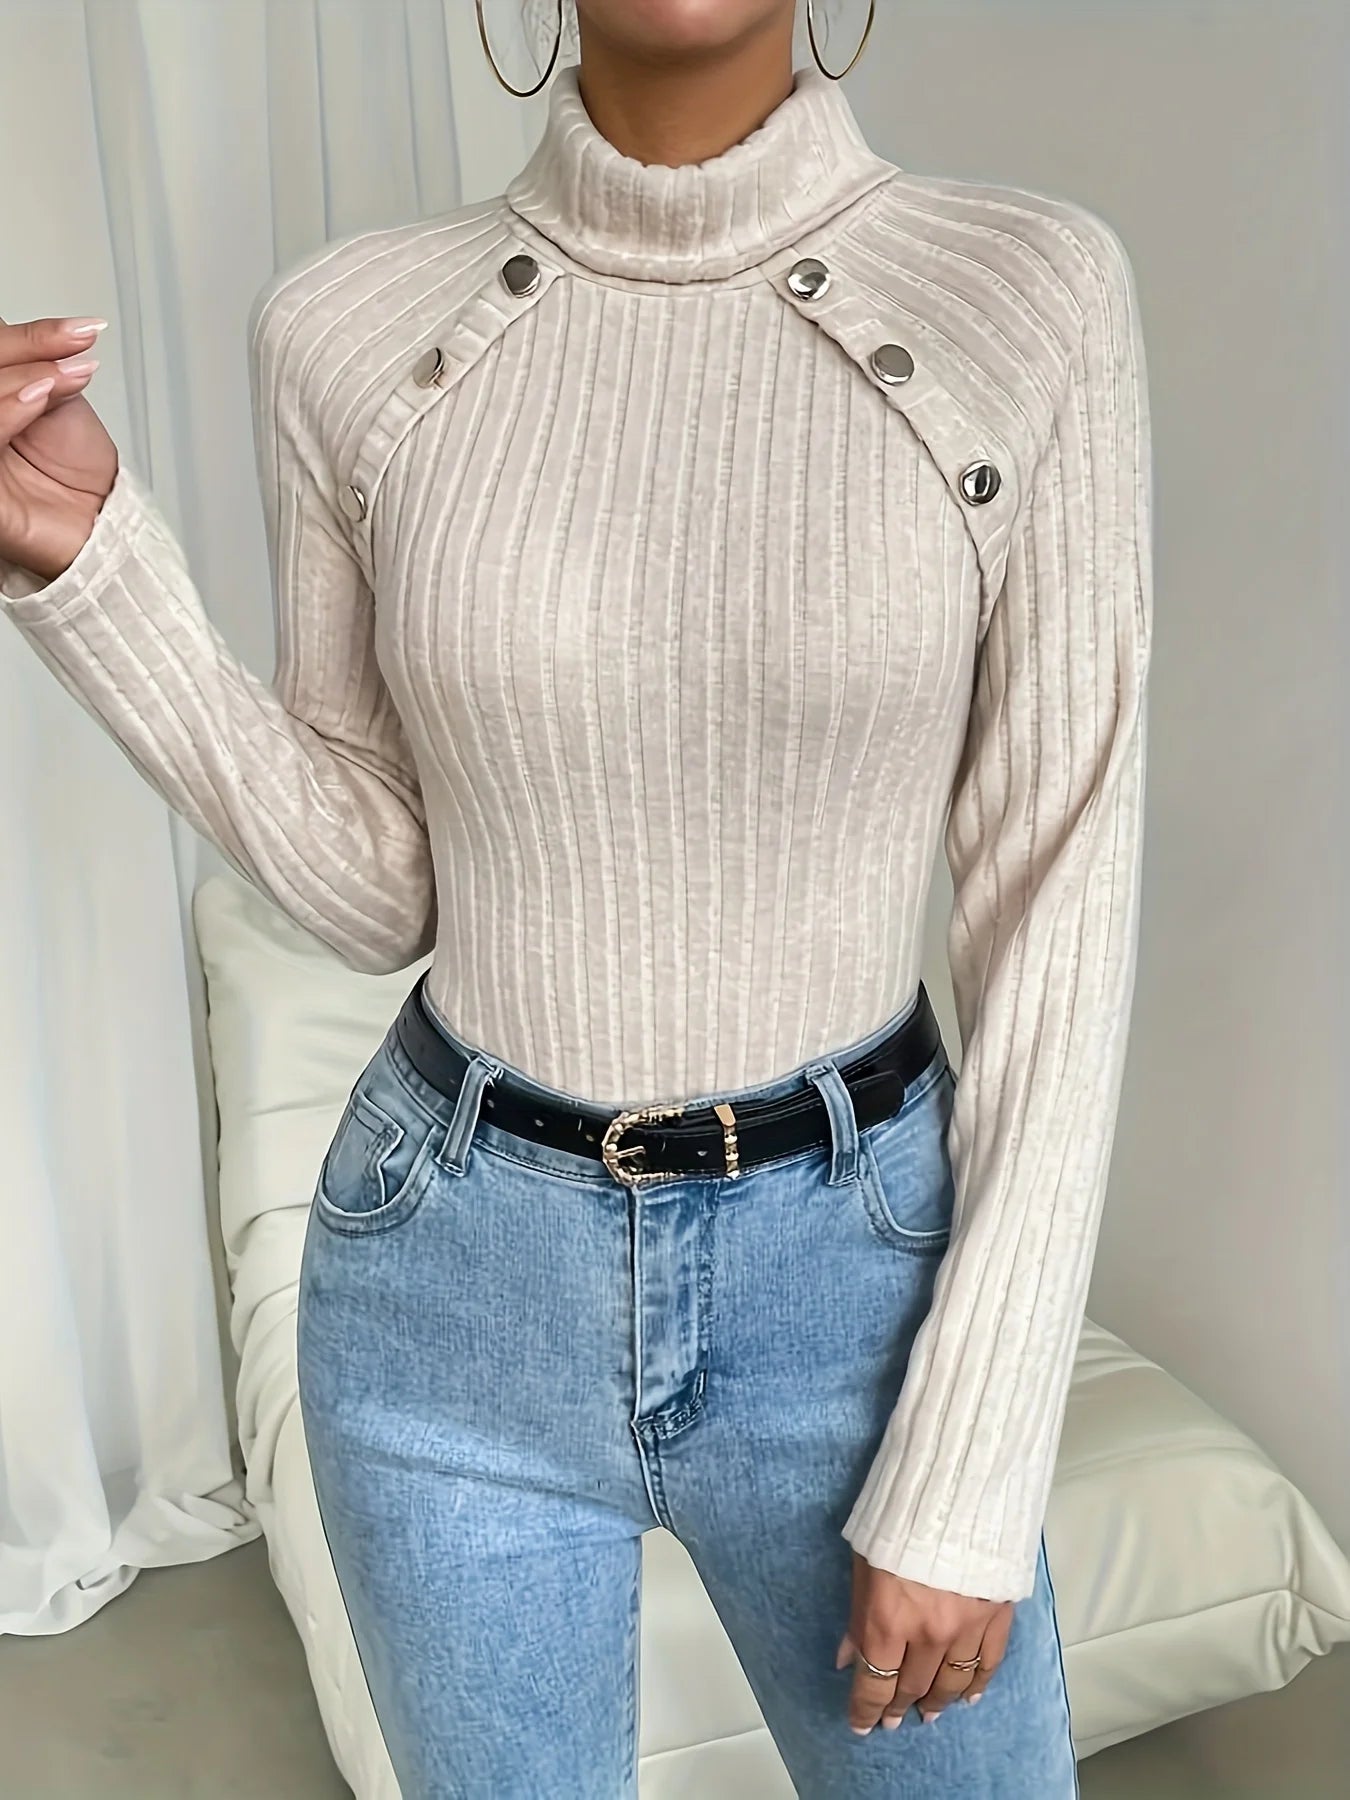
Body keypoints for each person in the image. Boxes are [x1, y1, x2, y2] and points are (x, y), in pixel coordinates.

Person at [0, 0, 1152, 1792]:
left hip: (853, 1290)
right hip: (449, 1284)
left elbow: (1056, 903)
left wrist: (972, 1459)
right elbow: (377, 890)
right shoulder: (347, 328)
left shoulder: (1025, 293)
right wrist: (94, 570)